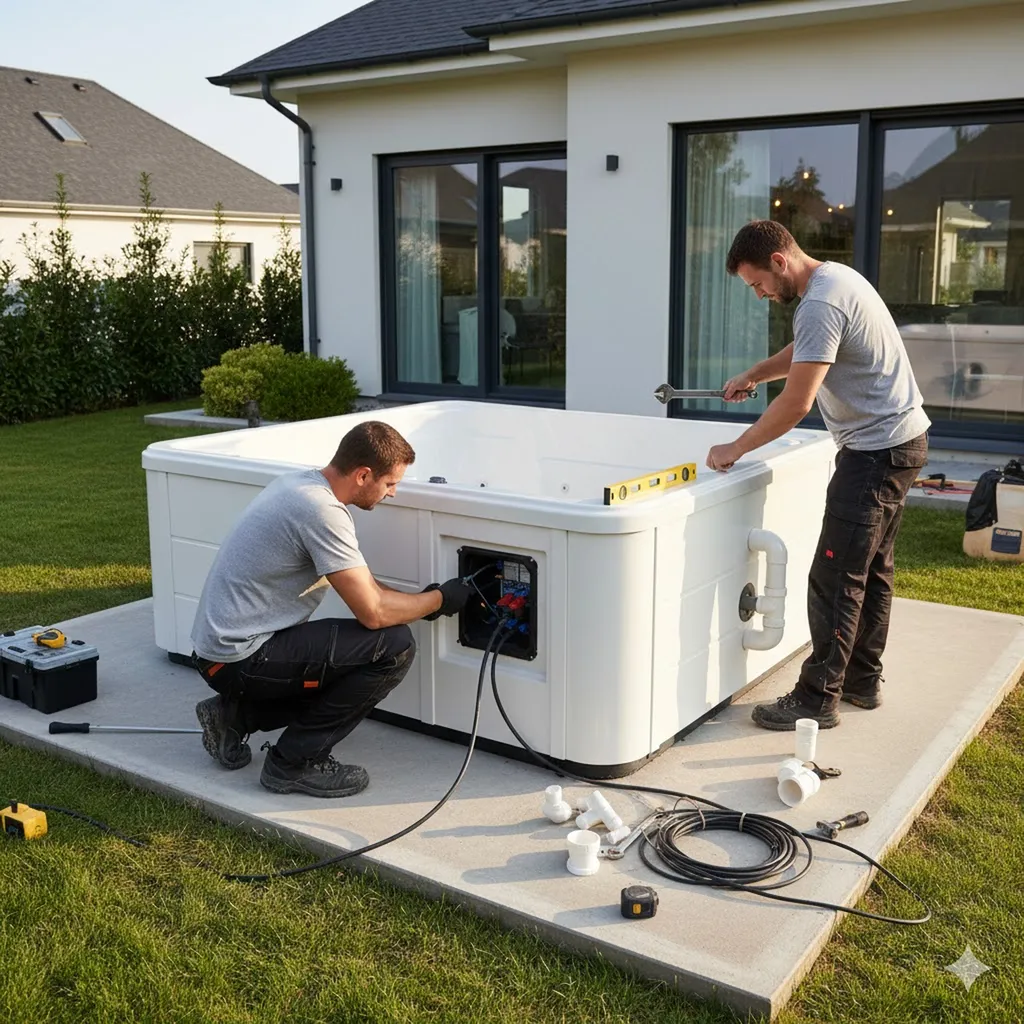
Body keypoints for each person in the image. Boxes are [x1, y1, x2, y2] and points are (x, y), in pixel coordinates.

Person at [705, 220, 930, 731]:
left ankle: (816, 698)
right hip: (903, 442)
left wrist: (735, 448)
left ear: (779, 262)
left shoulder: (820, 302)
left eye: (757, 283)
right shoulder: (835, 281)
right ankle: (861, 681)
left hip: (875, 453)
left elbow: (797, 404)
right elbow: (809, 352)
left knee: (834, 578)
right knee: (870, 572)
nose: (760, 294)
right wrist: (755, 374)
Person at [189, 420, 473, 797]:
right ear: (363, 474)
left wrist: (425, 602)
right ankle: (293, 764)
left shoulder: (300, 486)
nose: (392, 493)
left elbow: (363, 584)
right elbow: (372, 612)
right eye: (390, 483)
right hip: (240, 657)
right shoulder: (321, 511)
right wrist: (438, 600)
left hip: (221, 651)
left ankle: (234, 717)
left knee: (354, 652)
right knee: (394, 647)